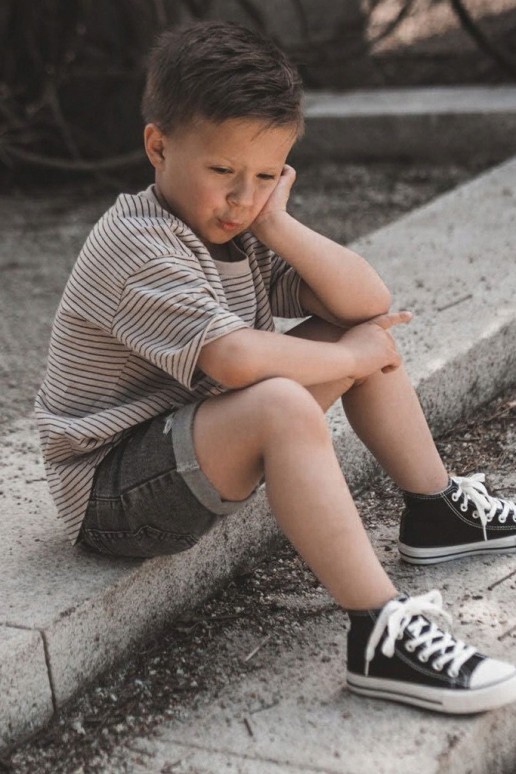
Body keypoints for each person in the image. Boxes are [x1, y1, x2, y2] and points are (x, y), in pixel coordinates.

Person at [35, 20, 516, 715]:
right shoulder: (137, 245)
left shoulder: (243, 228)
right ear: (158, 146)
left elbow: (367, 299)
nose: (241, 197)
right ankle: (379, 630)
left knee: (360, 327)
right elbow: (233, 360)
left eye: (265, 177)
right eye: (223, 172)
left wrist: (278, 225)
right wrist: (347, 357)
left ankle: (435, 511)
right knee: (289, 398)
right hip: (111, 490)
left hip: (189, 440)